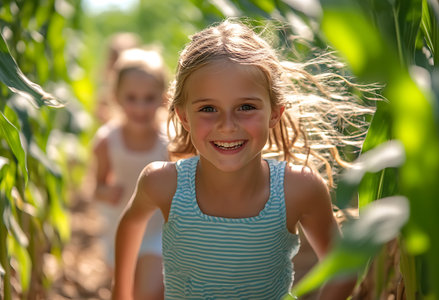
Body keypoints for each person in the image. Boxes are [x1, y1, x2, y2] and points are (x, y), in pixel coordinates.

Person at [112, 19, 375, 300]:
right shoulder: (163, 183)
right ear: (183, 116)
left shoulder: (297, 189)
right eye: (209, 108)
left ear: (275, 112)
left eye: (246, 107)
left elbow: (343, 267)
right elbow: (130, 225)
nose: (227, 125)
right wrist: (121, 294)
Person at [92, 47, 168, 299]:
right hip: (119, 228)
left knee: (148, 292)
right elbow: (97, 187)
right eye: (131, 98)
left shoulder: (169, 143)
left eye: (149, 98)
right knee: (125, 292)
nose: (140, 107)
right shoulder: (107, 141)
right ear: (116, 97)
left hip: (158, 230)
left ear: (163, 97)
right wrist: (107, 192)